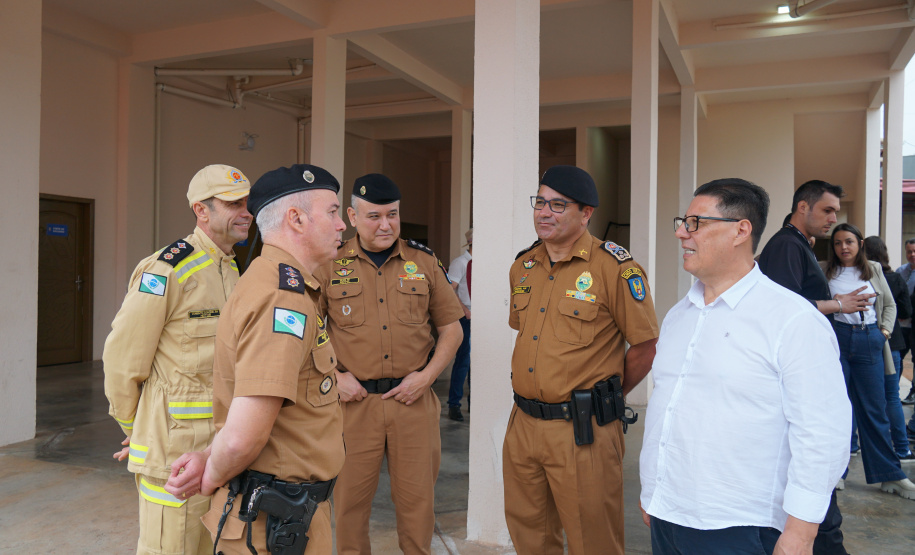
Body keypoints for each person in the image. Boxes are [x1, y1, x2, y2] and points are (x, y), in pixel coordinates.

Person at [641, 178, 851, 555]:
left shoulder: (792, 319)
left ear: (741, 230)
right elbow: (667, 408)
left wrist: (802, 531)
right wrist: (651, 491)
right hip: (668, 516)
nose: (680, 233)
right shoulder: (678, 316)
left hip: (739, 526)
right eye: (682, 222)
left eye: (695, 223)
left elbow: (822, 432)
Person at [164, 163, 348, 554]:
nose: (341, 224)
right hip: (273, 525)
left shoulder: (275, 282)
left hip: (286, 513)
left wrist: (207, 458)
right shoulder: (283, 298)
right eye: (332, 212)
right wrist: (211, 477)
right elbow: (244, 437)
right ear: (296, 219)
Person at [503, 165, 659, 555]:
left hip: (582, 430)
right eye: (540, 202)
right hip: (523, 425)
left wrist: (608, 395)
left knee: (594, 541)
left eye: (558, 205)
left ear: (586, 213)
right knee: (529, 535)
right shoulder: (523, 266)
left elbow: (646, 346)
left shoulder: (615, 268)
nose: (544, 212)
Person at [102, 164, 252, 555]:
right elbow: (122, 359)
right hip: (171, 453)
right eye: (233, 203)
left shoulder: (233, 269)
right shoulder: (168, 270)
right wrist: (136, 428)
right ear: (201, 211)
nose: (246, 211)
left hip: (218, 450)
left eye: (247, 202)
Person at [314, 173, 464, 555]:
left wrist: (427, 377)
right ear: (351, 215)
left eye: (393, 215)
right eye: (374, 216)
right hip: (353, 406)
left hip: (412, 404)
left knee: (418, 508)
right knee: (348, 507)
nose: (386, 225)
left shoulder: (424, 262)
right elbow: (304, 332)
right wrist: (334, 376)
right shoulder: (329, 264)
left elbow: (452, 329)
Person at [757, 179, 872, 554]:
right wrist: (838, 305)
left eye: (835, 211)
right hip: (797, 379)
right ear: (802, 208)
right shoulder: (785, 245)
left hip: (812, 370)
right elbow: (783, 309)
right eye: (827, 210)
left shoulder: (797, 245)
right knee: (820, 512)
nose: (833, 219)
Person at [823, 223, 915, 500]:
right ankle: (836, 472)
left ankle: (891, 475)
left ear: (860, 243)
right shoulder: (824, 269)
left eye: (849, 241)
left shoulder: (872, 268)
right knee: (839, 410)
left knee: (875, 409)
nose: (843, 248)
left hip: (869, 340)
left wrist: (883, 334)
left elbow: (889, 304)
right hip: (837, 340)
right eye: (838, 243)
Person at [863, 235, 915, 463]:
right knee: (891, 396)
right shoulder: (896, 277)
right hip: (891, 340)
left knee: (862, 396)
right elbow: (905, 310)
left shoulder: (860, 277)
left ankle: (856, 446)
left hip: (867, 340)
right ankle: (902, 448)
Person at [446, 228, 472, 421]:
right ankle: (454, 405)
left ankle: (474, 402)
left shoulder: (480, 264)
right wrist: (465, 310)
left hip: (481, 317)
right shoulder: (460, 263)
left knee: (477, 364)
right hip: (467, 317)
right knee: (463, 362)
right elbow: (450, 291)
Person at [896, 238, 915, 405]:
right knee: (898, 356)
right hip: (901, 324)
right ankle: (893, 389)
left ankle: (913, 392)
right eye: (909, 251)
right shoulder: (900, 271)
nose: (912, 255)